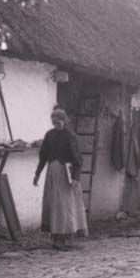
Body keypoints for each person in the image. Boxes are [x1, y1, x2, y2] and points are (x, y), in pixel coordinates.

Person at [33, 106, 88, 250]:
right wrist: (37, 174)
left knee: (66, 205)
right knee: (55, 205)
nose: (56, 125)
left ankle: (66, 237)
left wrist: (76, 177)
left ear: (64, 121)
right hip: (52, 173)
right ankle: (56, 236)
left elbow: (77, 158)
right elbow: (43, 156)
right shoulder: (49, 135)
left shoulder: (71, 136)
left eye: (58, 122)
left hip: (66, 175)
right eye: (54, 123)